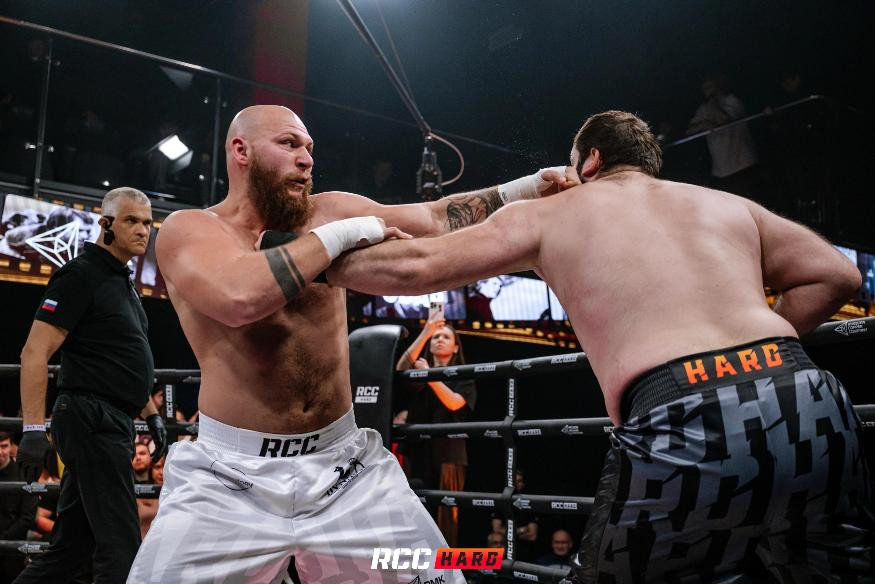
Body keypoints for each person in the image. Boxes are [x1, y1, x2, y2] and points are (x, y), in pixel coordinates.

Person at [328, 110, 872, 581]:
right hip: (807, 400)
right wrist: (758, 352)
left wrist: (314, 257)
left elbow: (418, 265)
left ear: (589, 161)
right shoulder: (726, 204)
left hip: (686, 415)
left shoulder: (551, 212)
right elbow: (838, 275)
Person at [127, 104, 569, 583]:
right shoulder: (190, 230)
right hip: (228, 476)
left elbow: (434, 217)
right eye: (289, 144)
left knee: (439, 576)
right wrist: (346, 235)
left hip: (346, 471)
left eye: (309, 148)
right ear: (241, 151)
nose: (306, 159)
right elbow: (240, 297)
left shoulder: (329, 209)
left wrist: (529, 189)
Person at [14, 187, 168, 584]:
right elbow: (34, 352)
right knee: (121, 546)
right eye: (131, 221)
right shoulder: (81, 275)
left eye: (147, 223)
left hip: (108, 420)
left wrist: (152, 414)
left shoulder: (122, 283)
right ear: (105, 224)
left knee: (70, 551)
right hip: (91, 419)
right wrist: (33, 429)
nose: (143, 230)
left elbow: (121, 359)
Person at [396, 312, 476, 546]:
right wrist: (426, 331)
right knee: (412, 512)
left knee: (445, 517)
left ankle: (444, 567)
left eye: (445, 337)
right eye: (436, 337)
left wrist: (430, 375)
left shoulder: (464, 375)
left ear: (455, 347)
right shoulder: (419, 369)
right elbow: (400, 368)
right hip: (416, 449)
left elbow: (454, 403)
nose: (439, 339)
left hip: (448, 454)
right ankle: (414, 564)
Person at [0, 432, 38, 581]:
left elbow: (27, 517)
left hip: (12, 549)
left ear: (11, 447)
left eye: (4, 446)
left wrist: (4, 539)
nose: (0, 452)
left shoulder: (24, 474)